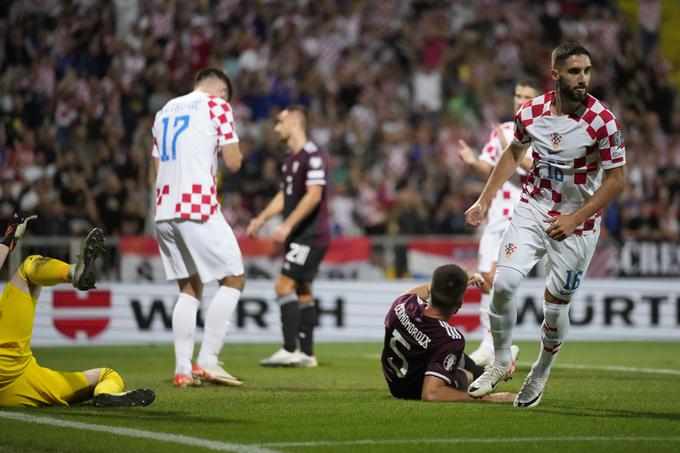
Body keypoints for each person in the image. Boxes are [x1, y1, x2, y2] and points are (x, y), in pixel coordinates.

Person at [465, 43, 627, 407]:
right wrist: (484, 199)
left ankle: (540, 370)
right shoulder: (531, 112)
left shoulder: (603, 121)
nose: (583, 78)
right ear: (555, 75)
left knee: (555, 307)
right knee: (503, 284)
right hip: (533, 209)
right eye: (574, 71)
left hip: (577, 222)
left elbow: (617, 180)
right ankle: (502, 359)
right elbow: (513, 154)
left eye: (586, 70)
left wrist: (575, 218)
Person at [151, 68, 245, 388]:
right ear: (221, 91)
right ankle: (207, 360)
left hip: (164, 209)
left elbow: (155, 166)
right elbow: (233, 162)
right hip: (197, 206)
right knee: (234, 278)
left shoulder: (163, 112)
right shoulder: (217, 105)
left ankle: (182, 370)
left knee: (189, 289)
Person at [0, 214, 155, 407]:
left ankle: (104, 396)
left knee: (105, 374)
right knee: (28, 269)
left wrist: (9, 239)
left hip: (22, 379)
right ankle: (74, 273)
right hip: (14, 370)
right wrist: (8, 238)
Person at [457, 79, 542, 366]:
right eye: (518, 94)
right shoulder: (505, 130)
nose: (520, 100)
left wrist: (512, 150)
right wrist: (471, 163)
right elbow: (490, 171)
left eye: (527, 96)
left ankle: (497, 345)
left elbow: (536, 170)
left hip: (523, 214)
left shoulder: (543, 130)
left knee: (497, 278)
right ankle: (488, 343)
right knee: (485, 280)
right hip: (495, 216)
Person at [246, 106, 330, 368]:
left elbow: (314, 195)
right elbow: (285, 196)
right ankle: (307, 354)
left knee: (283, 286)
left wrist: (287, 225)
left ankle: (288, 348)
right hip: (300, 234)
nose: (276, 128)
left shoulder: (314, 156)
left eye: (280, 122)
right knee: (303, 291)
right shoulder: (290, 159)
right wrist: (262, 218)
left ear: (294, 121)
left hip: (310, 234)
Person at [381, 263, 517, 402]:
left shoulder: (402, 304)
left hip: (394, 378)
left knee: (455, 356)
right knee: (466, 376)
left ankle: (493, 371)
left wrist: (448, 284)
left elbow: (416, 293)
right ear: (460, 304)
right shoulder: (449, 339)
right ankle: (497, 372)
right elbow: (431, 394)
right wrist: (491, 399)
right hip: (412, 390)